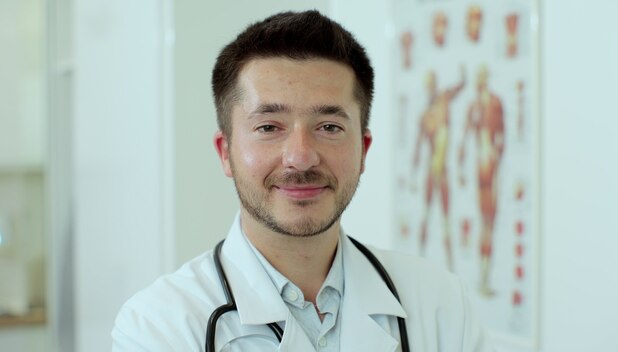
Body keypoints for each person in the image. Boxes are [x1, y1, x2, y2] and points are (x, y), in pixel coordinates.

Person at [112, 10, 493, 351]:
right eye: (268, 127)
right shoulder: (158, 327)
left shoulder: (441, 305)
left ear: (363, 148)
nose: (300, 157)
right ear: (224, 152)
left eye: (329, 126)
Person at [410, 68, 465, 271]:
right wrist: (413, 175)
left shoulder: (444, 100)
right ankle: (419, 259)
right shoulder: (426, 116)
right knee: (426, 213)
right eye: (428, 85)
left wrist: (464, 75)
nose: (430, 88)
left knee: (446, 217)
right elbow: (417, 146)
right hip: (431, 171)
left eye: (432, 83)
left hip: (442, 172)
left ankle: (451, 266)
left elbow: (459, 87)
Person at [458, 65, 505, 297]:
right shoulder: (479, 106)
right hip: (485, 167)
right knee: (487, 222)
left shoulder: (491, 104)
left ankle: (484, 277)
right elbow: (466, 138)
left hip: (487, 165)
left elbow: (499, 138)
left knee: (488, 222)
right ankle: (482, 278)